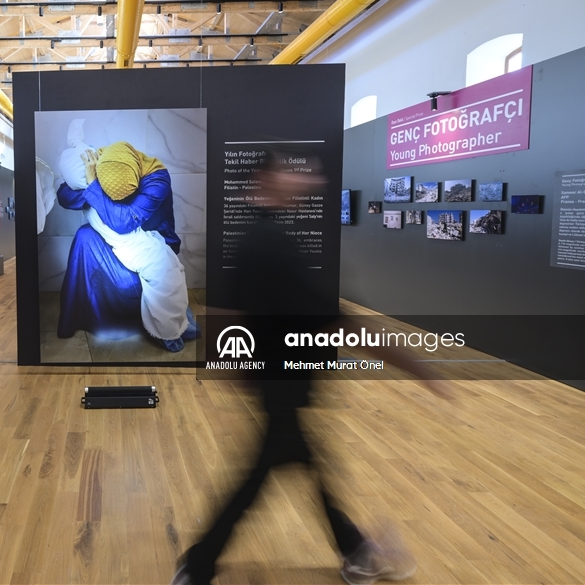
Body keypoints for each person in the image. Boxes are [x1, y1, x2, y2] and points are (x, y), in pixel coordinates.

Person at [173, 151, 451, 585]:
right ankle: (200, 565)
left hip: (278, 381)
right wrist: (418, 367)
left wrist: (233, 365)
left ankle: (352, 551)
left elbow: (228, 311)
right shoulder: (272, 242)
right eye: (289, 171)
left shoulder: (254, 237)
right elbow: (337, 322)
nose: (303, 180)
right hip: (284, 381)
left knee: (298, 464)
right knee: (268, 472)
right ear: (265, 179)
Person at [56, 140, 196, 351]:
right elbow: (64, 196)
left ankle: (164, 326)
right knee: (85, 235)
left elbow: (123, 222)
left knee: (162, 270)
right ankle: (79, 316)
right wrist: (92, 181)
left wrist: (94, 186)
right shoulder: (109, 166)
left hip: (149, 242)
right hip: (121, 239)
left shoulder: (157, 180)